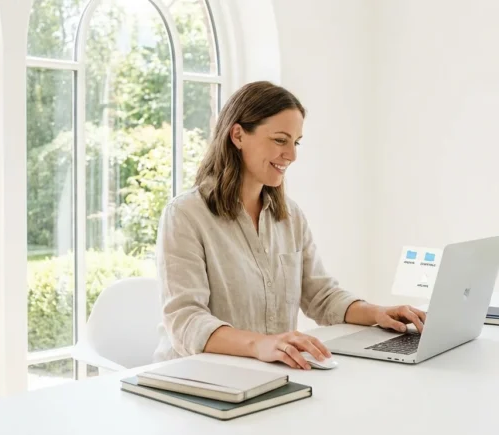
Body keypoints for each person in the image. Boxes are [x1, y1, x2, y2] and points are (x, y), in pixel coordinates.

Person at [153, 81, 426, 370]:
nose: (292, 155)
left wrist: (379, 313)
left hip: (270, 374)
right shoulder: (185, 215)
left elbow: (320, 296)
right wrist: (260, 344)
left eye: (295, 143)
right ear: (238, 135)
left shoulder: (290, 216)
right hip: (196, 378)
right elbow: (185, 322)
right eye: (280, 140)